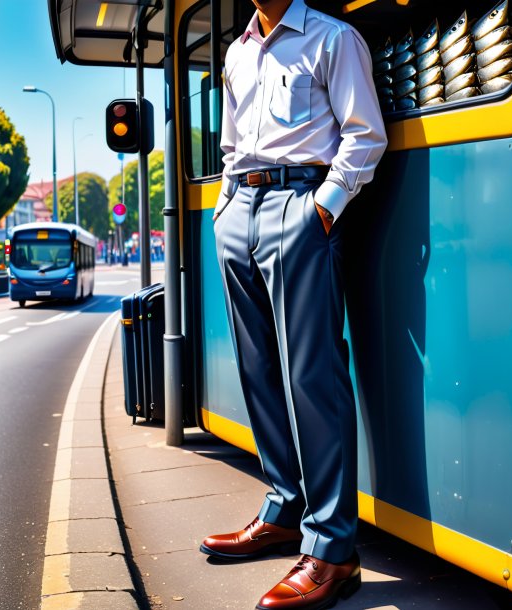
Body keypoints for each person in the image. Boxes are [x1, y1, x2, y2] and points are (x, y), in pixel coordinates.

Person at [200, 0, 387, 608]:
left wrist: (323, 209)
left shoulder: (334, 39)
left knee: (312, 377)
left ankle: (333, 552)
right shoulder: (236, 52)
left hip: (299, 207)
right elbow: (233, 142)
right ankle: (284, 509)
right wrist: (226, 210)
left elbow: (365, 134)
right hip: (240, 209)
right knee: (259, 375)